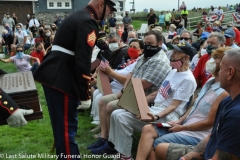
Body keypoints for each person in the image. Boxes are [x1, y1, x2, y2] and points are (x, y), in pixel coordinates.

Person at [33, 0, 117, 159]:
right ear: (101, 4)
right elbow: (83, 59)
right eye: (108, 12)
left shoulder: (79, 15)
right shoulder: (88, 21)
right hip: (63, 78)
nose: (108, 16)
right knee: (66, 130)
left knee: (62, 129)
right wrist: (85, 94)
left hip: (57, 75)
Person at [93, 41, 197, 159]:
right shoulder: (173, 72)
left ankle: (125, 155)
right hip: (155, 109)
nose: (172, 54)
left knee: (120, 116)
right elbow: (159, 93)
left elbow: (174, 106)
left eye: (177, 52)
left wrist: (156, 116)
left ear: (187, 57)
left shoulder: (188, 79)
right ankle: (123, 153)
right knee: (117, 114)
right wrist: (139, 103)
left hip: (167, 117)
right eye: (173, 51)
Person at [87, 30, 171, 158]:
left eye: (151, 43)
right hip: (131, 93)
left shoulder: (159, 61)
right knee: (104, 100)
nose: (148, 46)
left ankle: (112, 145)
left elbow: (143, 84)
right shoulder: (146, 55)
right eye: (146, 43)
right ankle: (105, 138)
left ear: (160, 44)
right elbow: (131, 75)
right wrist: (124, 91)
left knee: (110, 106)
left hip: (144, 99)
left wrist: (126, 91)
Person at [155, 48, 240, 160]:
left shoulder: (236, 114)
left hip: (204, 145)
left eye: (221, 68)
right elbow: (212, 136)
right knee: (160, 148)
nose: (218, 71)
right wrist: (186, 157)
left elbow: (222, 157)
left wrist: (183, 128)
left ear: (230, 73)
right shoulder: (228, 101)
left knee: (158, 143)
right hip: (205, 149)